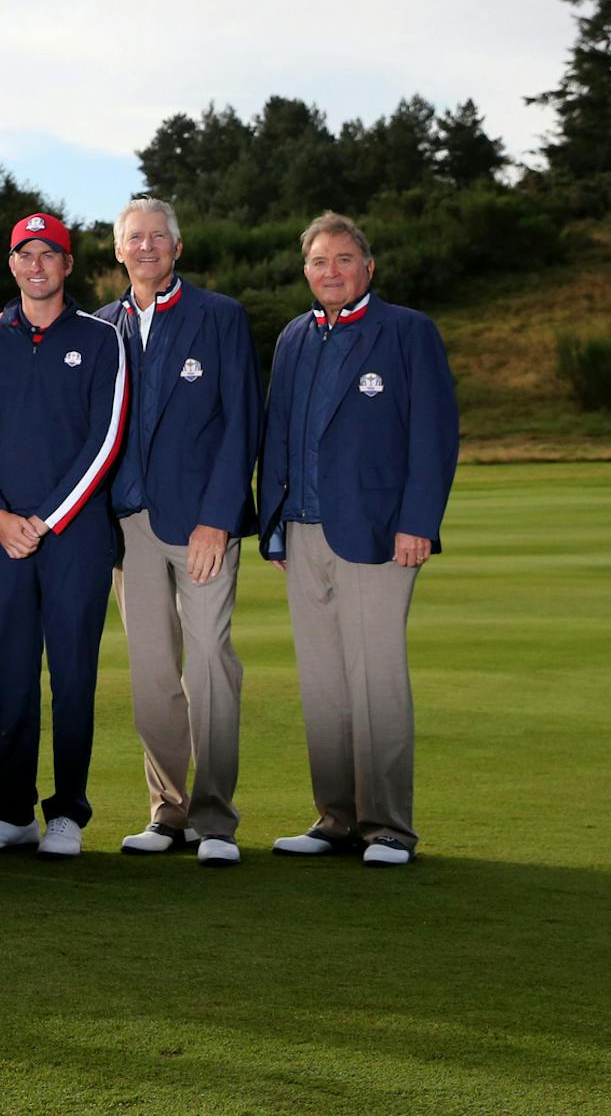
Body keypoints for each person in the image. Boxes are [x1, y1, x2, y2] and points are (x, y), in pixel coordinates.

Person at [259, 212, 457, 869]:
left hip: (378, 531)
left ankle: (388, 826)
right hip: (304, 529)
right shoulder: (293, 336)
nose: (332, 271)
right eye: (320, 261)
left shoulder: (406, 331)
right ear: (306, 271)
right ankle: (335, 817)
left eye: (345, 259)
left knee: (375, 679)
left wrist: (418, 522)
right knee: (322, 684)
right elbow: (280, 433)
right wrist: (275, 523)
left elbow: (433, 433)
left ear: (368, 268)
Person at [0, 213, 127, 859]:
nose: (36, 264)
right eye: (25, 254)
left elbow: (104, 441)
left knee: (73, 676)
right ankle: (10, 811)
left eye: (48, 253)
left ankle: (67, 813)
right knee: (14, 677)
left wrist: (47, 519)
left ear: (68, 264)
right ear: (12, 264)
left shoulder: (101, 340)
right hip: (1, 538)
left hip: (74, 537)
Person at [95, 199, 261, 868]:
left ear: (178, 247)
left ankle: (215, 817)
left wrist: (218, 518)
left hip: (200, 524)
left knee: (211, 663)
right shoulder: (100, 327)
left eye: (157, 237)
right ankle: (168, 808)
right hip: (126, 523)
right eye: (134, 238)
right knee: (152, 671)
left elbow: (240, 422)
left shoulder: (219, 317)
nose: (146, 247)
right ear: (118, 250)